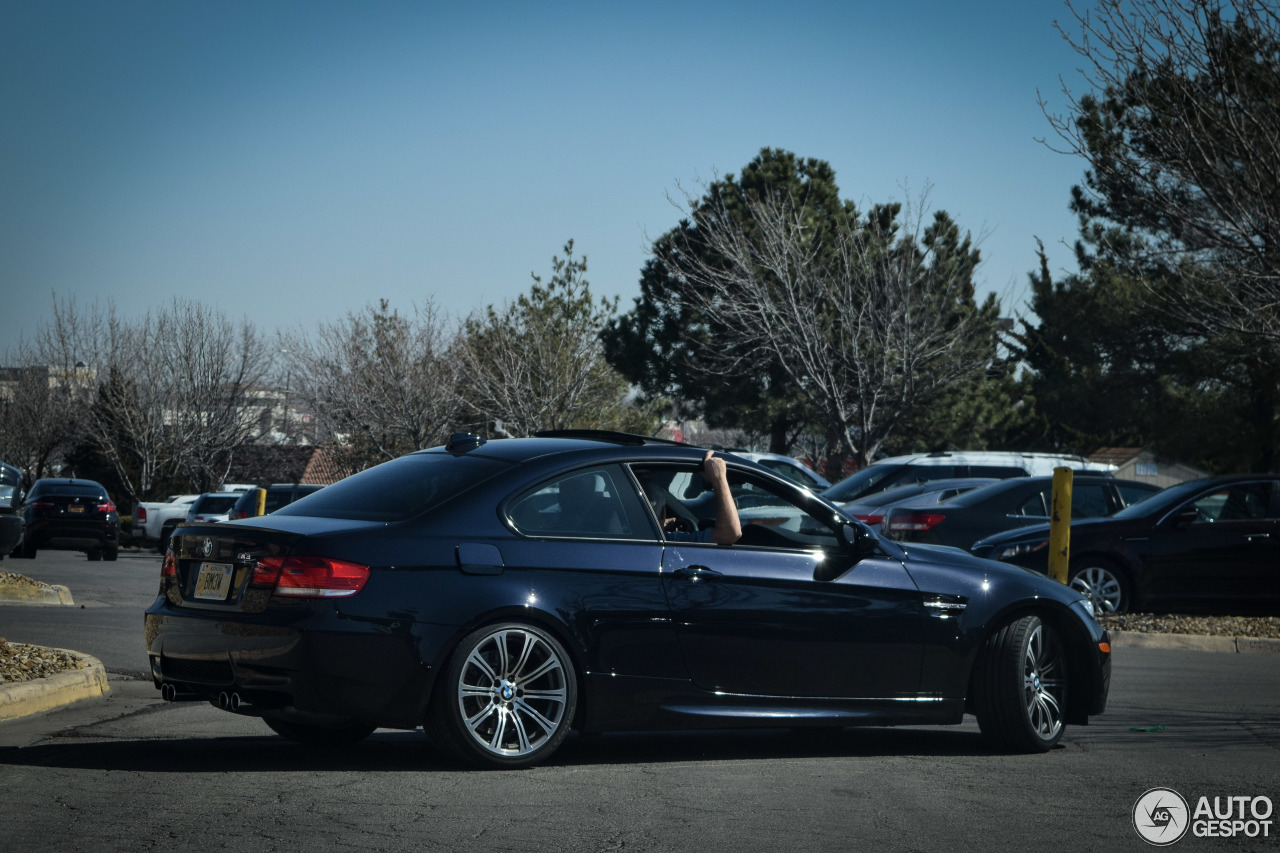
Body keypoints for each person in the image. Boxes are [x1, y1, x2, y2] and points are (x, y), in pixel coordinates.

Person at [645, 451, 741, 546]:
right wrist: (719, 479)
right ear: (663, 514)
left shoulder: (637, 538)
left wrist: (660, 524)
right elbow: (730, 533)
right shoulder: (668, 542)